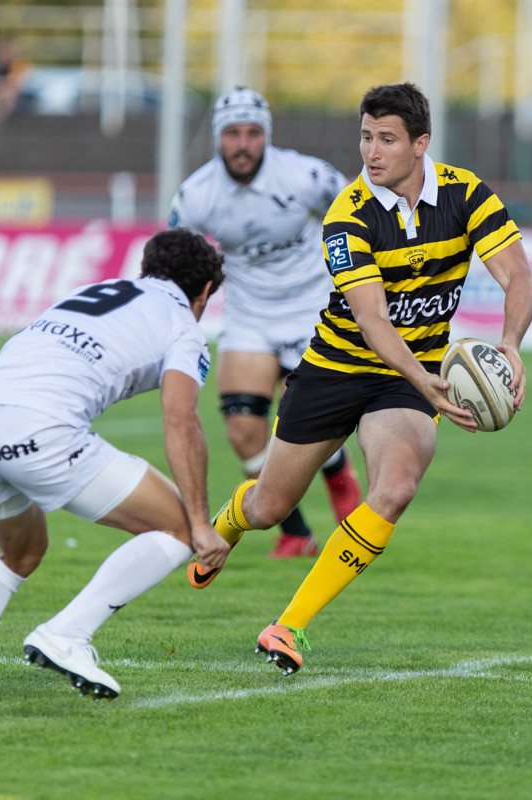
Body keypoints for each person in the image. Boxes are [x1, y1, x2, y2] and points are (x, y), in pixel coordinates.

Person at [205, 82, 532, 675]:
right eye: (365, 137)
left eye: (386, 139)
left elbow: (519, 277)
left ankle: (289, 626)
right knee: (268, 507)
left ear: (420, 144)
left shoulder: (466, 194)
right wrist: (431, 379)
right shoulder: (347, 214)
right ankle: (227, 523)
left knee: (397, 487)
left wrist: (510, 345)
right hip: (336, 368)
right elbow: (372, 319)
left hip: (403, 385)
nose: (371, 152)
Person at [0, 229, 229, 712]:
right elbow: (181, 419)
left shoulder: (91, 293)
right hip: (42, 429)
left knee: (20, 553)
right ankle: (67, 633)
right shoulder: (184, 324)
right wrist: (204, 525)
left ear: (146, 268)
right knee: (179, 526)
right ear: (203, 292)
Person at [170, 87, 362, 561]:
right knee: (242, 429)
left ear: (266, 137)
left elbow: (362, 211)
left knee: (313, 423)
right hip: (249, 315)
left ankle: (339, 476)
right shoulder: (196, 194)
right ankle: (295, 531)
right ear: (219, 138)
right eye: (232, 134)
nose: (242, 144)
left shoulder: (305, 175)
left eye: (252, 133)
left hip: (314, 309)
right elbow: (175, 261)